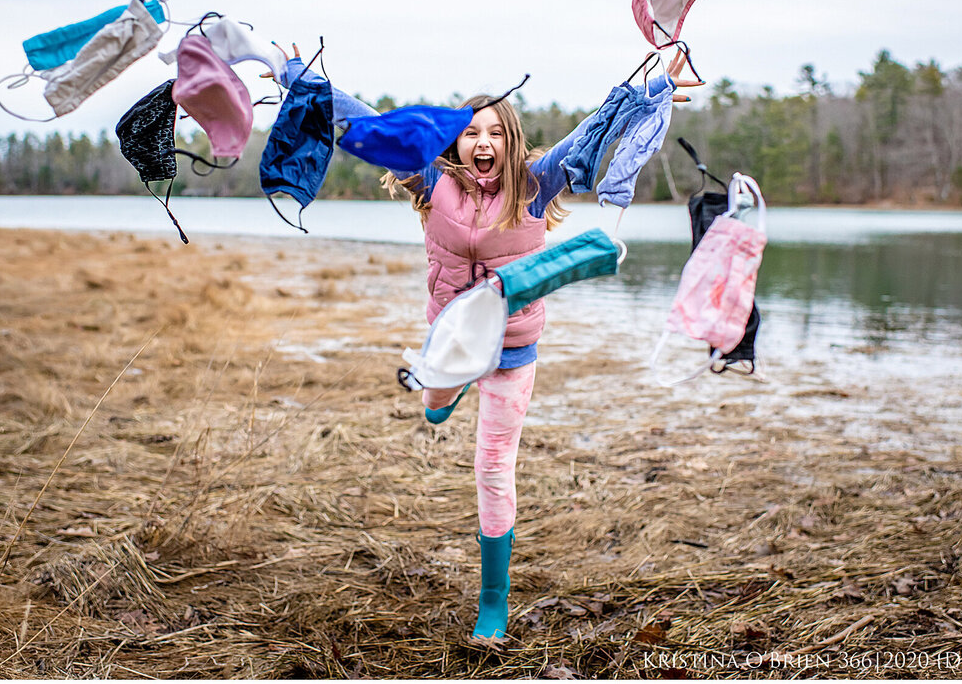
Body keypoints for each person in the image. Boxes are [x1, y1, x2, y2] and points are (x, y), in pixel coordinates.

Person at [282, 46, 685, 644]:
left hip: (512, 347)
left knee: (493, 468)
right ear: (455, 140)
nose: (483, 140)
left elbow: (592, 135)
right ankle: (441, 396)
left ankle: (492, 600)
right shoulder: (430, 177)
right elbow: (367, 124)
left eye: (496, 130)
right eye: (471, 131)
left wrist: (652, 91)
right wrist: (299, 78)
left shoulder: (537, 182)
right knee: (433, 406)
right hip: (450, 340)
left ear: (513, 140)